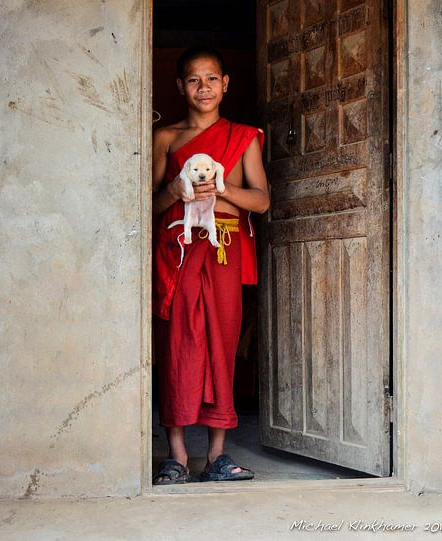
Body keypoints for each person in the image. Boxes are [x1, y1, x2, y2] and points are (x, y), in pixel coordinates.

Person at [151, 46, 270, 484]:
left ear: (226, 84)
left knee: (221, 343)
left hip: (223, 251)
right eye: (194, 80)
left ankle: (218, 455)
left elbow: (261, 198)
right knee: (177, 345)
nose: (204, 88)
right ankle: (177, 456)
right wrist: (178, 193)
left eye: (212, 79)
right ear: (180, 85)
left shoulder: (245, 137)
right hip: (179, 250)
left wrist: (220, 194)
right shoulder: (166, 138)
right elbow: (149, 203)